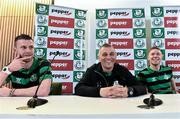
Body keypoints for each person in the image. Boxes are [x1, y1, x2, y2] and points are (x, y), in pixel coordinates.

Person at [75, 43, 147, 98]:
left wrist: (129, 91)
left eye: (111, 54)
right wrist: (101, 91)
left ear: (116, 56)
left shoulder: (122, 70)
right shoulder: (92, 70)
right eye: (105, 54)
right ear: (99, 58)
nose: (108, 57)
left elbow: (142, 88)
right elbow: (78, 89)